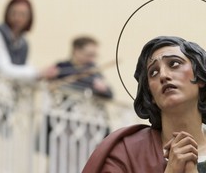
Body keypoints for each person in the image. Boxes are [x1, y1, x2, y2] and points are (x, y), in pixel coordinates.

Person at [82, 36, 206, 173]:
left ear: (200, 77)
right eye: (153, 72)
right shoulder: (125, 152)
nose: (163, 75)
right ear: (150, 94)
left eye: (174, 64)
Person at [0, 0, 47, 80]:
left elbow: (25, 66)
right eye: (14, 13)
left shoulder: (23, 42)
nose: (18, 18)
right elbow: (2, 69)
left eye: (23, 14)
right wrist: (36, 73)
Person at [45, 36, 113, 98]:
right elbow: (47, 87)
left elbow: (110, 95)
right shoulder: (61, 67)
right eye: (89, 55)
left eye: (94, 55)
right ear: (76, 51)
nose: (92, 59)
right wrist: (48, 77)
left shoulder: (94, 71)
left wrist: (104, 90)